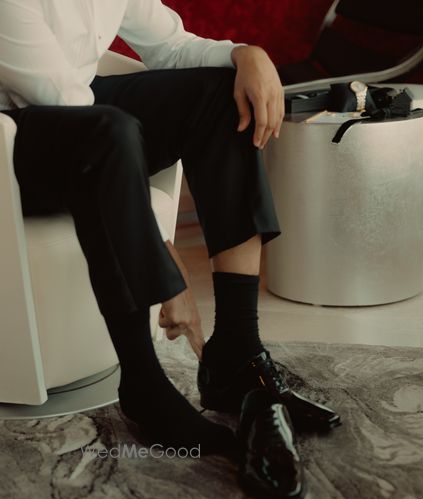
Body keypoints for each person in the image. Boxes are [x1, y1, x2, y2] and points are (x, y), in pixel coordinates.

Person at [0, 0, 338, 458]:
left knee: (221, 93)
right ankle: (143, 384)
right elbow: (62, 101)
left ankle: (237, 350)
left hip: (82, 118)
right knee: (108, 133)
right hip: (12, 145)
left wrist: (245, 54)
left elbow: (170, 46)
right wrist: (159, 252)